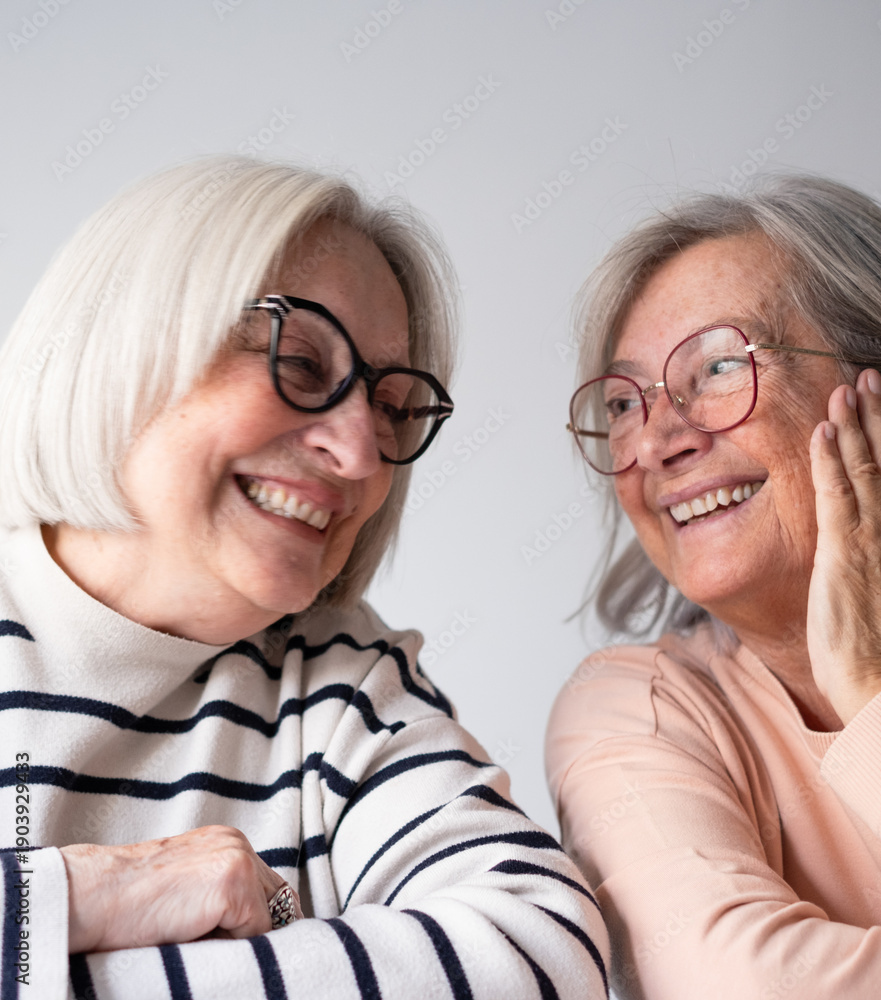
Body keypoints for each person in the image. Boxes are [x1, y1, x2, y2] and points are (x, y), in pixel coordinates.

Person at [0, 157, 608, 999]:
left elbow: (538, 953)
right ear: (126, 343)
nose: (360, 453)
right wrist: (77, 899)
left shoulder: (341, 675)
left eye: (392, 406)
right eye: (297, 361)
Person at [546, 175, 881, 999]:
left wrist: (879, 685)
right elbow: (739, 985)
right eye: (624, 403)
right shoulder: (637, 710)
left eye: (719, 366)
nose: (657, 440)